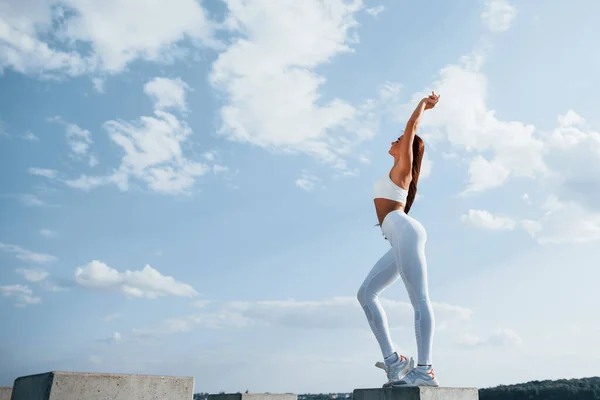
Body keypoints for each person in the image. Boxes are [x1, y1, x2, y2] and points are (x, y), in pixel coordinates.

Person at [357, 91, 441, 388]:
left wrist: (423, 105)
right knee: (366, 294)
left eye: (399, 140)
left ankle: (425, 370)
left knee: (419, 299)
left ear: (407, 148)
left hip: (405, 232)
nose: (395, 142)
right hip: (398, 237)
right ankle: (395, 361)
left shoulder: (403, 167)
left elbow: (411, 127)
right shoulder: (394, 172)